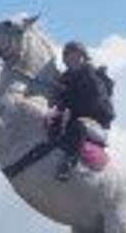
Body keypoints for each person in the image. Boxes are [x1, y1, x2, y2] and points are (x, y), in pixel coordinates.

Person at [49, 41, 115, 181]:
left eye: (74, 56)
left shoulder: (92, 77)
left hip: (96, 124)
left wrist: (65, 96)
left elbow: (92, 104)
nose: (70, 59)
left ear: (83, 57)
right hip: (75, 120)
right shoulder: (66, 77)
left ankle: (69, 164)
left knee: (78, 125)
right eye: (67, 56)